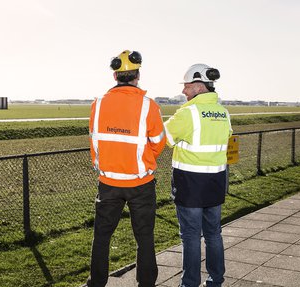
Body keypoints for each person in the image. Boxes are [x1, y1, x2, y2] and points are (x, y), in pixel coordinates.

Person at [87, 50, 166, 287]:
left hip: (108, 182)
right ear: (137, 75)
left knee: (101, 236)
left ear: (115, 76)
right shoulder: (148, 106)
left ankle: (96, 283)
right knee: (144, 238)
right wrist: (142, 161)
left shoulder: (97, 104)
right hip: (140, 183)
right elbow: (159, 141)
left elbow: (95, 141)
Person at [164, 64, 233, 287]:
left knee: (191, 236)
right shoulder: (223, 112)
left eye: (186, 87)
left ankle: (189, 283)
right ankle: (216, 281)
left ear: (198, 86)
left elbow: (165, 137)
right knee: (213, 234)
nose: (184, 91)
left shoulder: (188, 113)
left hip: (190, 184)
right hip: (215, 182)